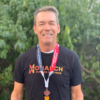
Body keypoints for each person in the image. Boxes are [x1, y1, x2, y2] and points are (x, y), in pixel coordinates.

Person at [11, 6, 84, 100]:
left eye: (51, 23)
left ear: (58, 28)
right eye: (41, 24)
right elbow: (16, 94)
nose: (47, 28)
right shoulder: (23, 59)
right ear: (35, 29)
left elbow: (77, 95)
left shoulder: (71, 58)